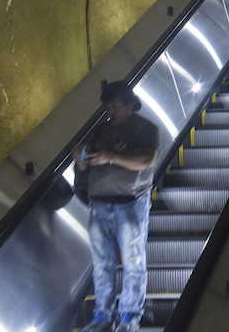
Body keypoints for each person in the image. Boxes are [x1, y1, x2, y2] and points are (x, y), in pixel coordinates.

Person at [70, 82, 159, 332]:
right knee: (102, 264)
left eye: (116, 106)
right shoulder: (100, 131)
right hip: (99, 203)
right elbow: (87, 167)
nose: (110, 111)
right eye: (107, 107)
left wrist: (110, 157)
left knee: (133, 261)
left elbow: (146, 159)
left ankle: (130, 316)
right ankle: (102, 316)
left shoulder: (145, 128)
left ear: (130, 105)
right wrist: (81, 162)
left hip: (130, 203)